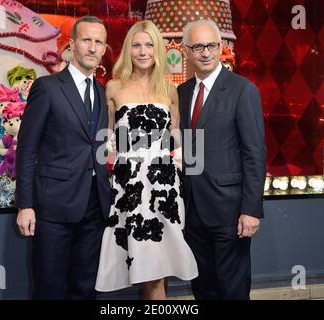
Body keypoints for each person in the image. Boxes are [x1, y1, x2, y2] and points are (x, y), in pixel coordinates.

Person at [95, 20, 198, 300]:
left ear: (159, 50)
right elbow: (105, 141)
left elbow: (176, 139)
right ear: (128, 50)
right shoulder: (113, 88)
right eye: (136, 45)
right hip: (129, 188)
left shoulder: (169, 91)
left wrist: (182, 168)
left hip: (164, 188)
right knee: (146, 266)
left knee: (158, 266)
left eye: (149, 44)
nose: (143, 51)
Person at [15, 16, 111, 300]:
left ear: (104, 48)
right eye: (86, 40)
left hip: (94, 207)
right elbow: (27, 148)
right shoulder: (47, 87)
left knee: (84, 288)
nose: (93, 48)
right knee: (49, 288)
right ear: (72, 45)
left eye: (99, 42)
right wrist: (26, 205)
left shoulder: (101, 91)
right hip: (53, 208)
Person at [178, 19, 266, 300]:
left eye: (212, 45)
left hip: (230, 212)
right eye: (198, 46)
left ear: (221, 48)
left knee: (233, 289)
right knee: (202, 287)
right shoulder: (180, 93)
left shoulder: (243, 90)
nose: (205, 52)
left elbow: (254, 153)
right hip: (191, 211)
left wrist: (251, 210)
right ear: (185, 51)